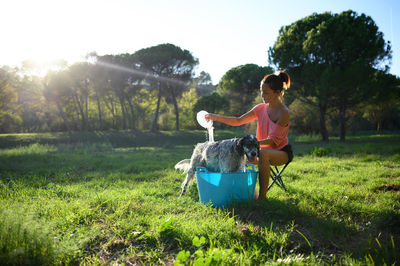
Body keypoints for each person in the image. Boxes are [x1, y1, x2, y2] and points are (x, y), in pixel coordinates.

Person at [205, 71, 293, 200]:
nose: (262, 95)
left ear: (277, 92)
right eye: (261, 91)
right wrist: (215, 117)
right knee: (233, 154)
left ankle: (261, 199)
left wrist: (251, 143)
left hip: (280, 152)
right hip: (258, 150)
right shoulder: (260, 108)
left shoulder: (284, 113)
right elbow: (238, 120)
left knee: (263, 154)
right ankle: (230, 192)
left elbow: (273, 142)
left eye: (266, 92)